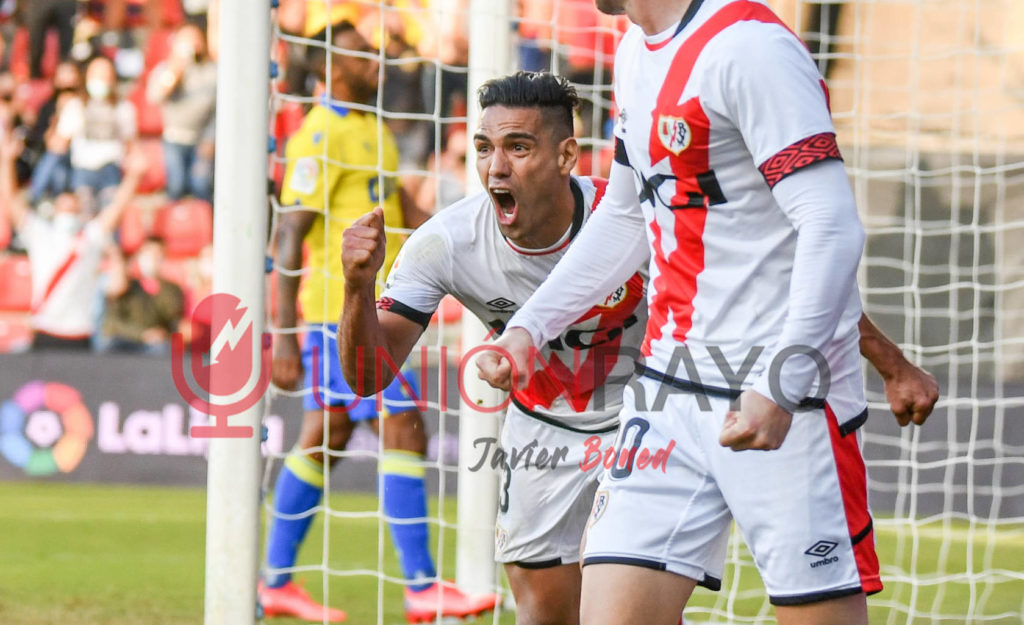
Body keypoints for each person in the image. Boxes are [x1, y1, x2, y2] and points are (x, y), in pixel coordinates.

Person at [340, 71, 939, 625]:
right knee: (548, 614)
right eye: (485, 148)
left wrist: (892, 364)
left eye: (518, 148)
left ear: (566, 155)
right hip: (543, 427)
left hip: (649, 421)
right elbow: (369, 376)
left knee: (634, 605)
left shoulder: (633, 216)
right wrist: (356, 289)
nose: (496, 168)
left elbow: (779, 278)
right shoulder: (444, 242)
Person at [262, 19, 497, 623]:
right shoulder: (318, 134)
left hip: (373, 308)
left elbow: (406, 211)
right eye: (364, 56)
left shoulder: (376, 131)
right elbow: (290, 238)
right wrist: (283, 334)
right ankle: (421, 586)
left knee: (330, 435)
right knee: (406, 423)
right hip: (330, 317)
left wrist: (476, 225)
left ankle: (274, 581)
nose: (377, 65)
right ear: (330, 67)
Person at [0, 123, 146, 350]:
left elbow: (117, 208)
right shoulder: (41, 234)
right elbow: (11, 202)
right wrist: (6, 161)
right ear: (54, 210)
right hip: (45, 328)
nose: (67, 210)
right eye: (64, 205)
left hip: (79, 332)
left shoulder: (89, 237)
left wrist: (134, 177)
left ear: (79, 211)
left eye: (72, 206)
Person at [146, 22, 217, 201]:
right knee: (176, 187)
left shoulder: (212, 71)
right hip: (174, 139)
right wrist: (175, 72)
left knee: (201, 185)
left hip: (202, 140)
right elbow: (155, 97)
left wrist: (210, 139)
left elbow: (217, 110)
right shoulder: (165, 69)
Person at [97, 235, 185, 355]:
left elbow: (171, 317)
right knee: (108, 346)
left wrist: (158, 285)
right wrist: (142, 334)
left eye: (158, 254)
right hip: (125, 340)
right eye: (149, 253)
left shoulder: (171, 289)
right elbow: (112, 323)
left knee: (163, 349)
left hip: (154, 345)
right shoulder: (126, 285)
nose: (153, 258)